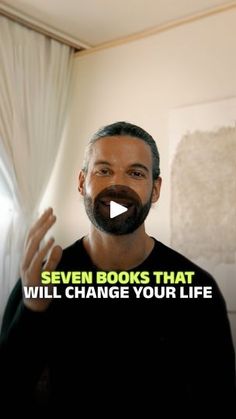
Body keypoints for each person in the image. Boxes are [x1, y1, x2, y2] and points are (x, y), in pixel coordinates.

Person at [0, 121, 235, 417]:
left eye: (135, 173)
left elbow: (219, 403)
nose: (117, 185)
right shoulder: (40, 280)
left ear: (156, 189)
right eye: (104, 171)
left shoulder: (197, 289)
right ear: (81, 182)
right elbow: (9, 394)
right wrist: (32, 311)